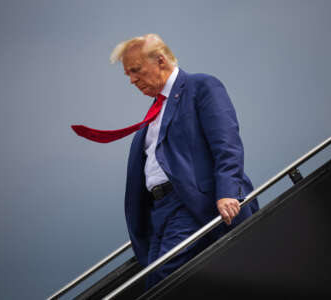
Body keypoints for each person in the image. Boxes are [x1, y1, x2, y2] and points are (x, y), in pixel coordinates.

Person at [73, 33, 259, 289]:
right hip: (159, 213)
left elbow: (226, 143)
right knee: (155, 280)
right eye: (128, 74)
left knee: (163, 279)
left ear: (160, 60)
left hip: (192, 203)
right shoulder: (155, 111)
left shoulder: (200, 86)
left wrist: (227, 192)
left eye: (135, 70)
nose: (132, 80)